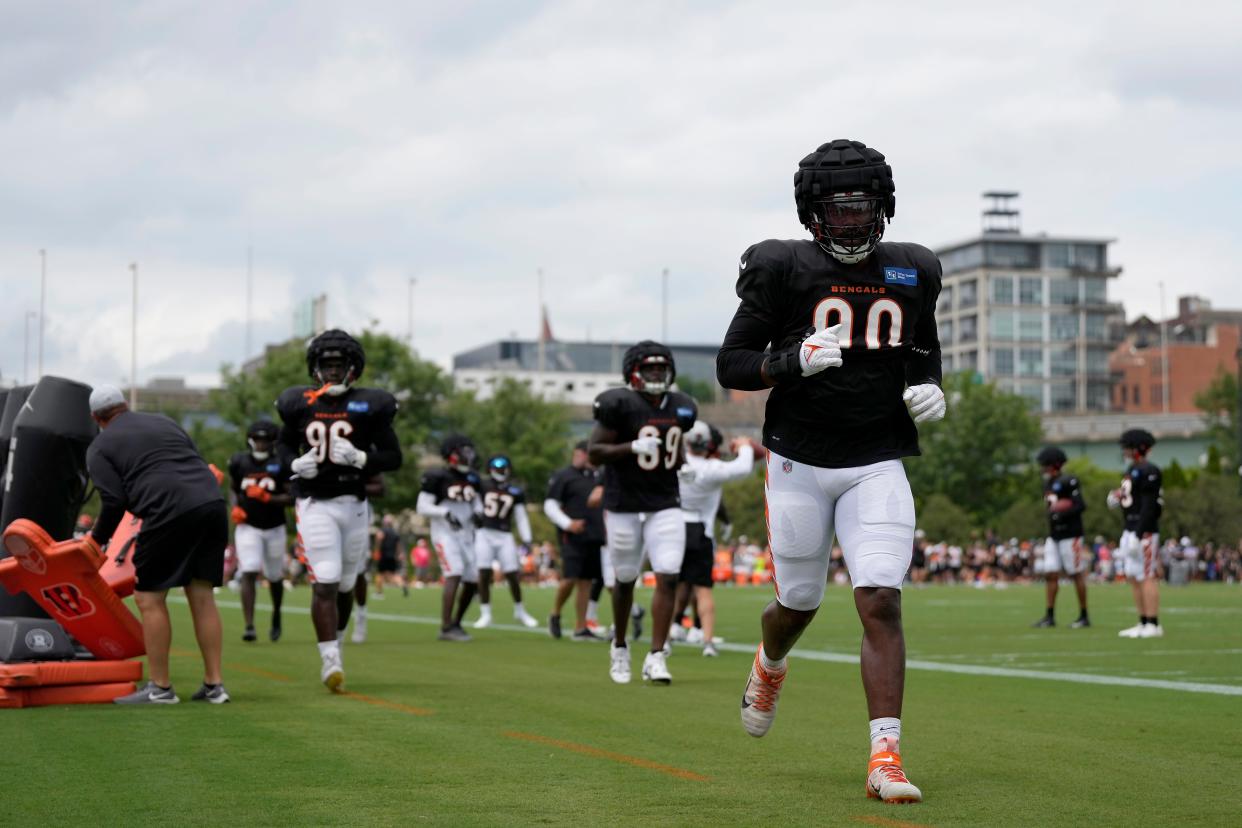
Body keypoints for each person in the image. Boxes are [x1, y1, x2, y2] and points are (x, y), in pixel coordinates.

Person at [716, 138, 945, 804]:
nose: (850, 221)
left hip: (877, 458)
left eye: (861, 208)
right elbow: (732, 364)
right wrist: (789, 362)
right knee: (798, 603)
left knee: (880, 597)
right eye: (837, 210)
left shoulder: (912, 270)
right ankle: (770, 662)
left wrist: (931, 383)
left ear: (883, 209)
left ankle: (886, 756)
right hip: (799, 458)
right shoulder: (782, 269)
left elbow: (923, 350)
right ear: (813, 213)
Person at [85, 384, 230, 705]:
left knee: (149, 597)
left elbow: (113, 501)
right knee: (202, 594)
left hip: (167, 509)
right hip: (211, 503)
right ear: (124, 405)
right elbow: (194, 459)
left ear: (96, 418)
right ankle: (214, 685)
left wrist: (95, 542)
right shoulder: (165, 422)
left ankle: (161, 688)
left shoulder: (100, 445)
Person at [276, 329, 402, 692]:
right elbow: (283, 450)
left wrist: (364, 458)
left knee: (347, 583)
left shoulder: (370, 404)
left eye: (339, 365)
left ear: (353, 369)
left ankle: (338, 640)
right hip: (315, 502)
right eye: (326, 365)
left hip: (354, 503)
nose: (332, 372)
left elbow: (394, 457)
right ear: (315, 369)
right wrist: (295, 464)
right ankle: (330, 658)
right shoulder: (298, 403)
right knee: (327, 578)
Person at [589, 340, 698, 685]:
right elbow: (594, 452)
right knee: (624, 578)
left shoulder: (681, 406)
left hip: (665, 501)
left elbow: (674, 445)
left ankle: (656, 655)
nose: (656, 373)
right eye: (649, 368)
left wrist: (684, 463)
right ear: (633, 372)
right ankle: (619, 645)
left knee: (668, 574)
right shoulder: (619, 404)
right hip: (623, 504)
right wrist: (630, 446)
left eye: (661, 368)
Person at [675, 422, 758, 657]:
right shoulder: (711, 468)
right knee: (703, 590)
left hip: (675, 528)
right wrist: (744, 446)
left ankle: (667, 637)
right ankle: (708, 642)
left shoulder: (675, 464)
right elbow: (742, 468)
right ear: (708, 444)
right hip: (701, 531)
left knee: (672, 586)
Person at [228, 420, 292, 643]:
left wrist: (269, 498)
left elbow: (292, 496)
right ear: (250, 440)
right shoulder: (239, 462)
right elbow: (234, 488)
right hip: (248, 526)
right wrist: (235, 506)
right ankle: (249, 625)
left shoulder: (281, 463)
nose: (261, 444)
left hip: (274, 525)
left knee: (274, 576)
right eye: (257, 439)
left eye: (265, 440)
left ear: (272, 442)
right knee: (249, 570)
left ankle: (276, 614)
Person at [417, 433, 481, 641]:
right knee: (454, 572)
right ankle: (446, 627)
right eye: (464, 451)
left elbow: (476, 502)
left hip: (466, 534)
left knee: (472, 580)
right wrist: (444, 513)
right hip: (445, 533)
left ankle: (457, 623)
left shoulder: (472, 478)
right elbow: (422, 506)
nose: (468, 456)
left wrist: (479, 513)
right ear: (452, 454)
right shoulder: (438, 476)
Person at [544, 441, 607, 641]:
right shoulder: (564, 476)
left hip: (595, 535)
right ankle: (555, 613)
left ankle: (581, 627)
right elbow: (550, 505)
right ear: (578, 453)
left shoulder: (598, 477)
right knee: (570, 578)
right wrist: (568, 524)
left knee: (586, 582)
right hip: (573, 536)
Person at [471, 455, 539, 629]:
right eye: (497, 468)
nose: (501, 471)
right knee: (484, 573)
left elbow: (521, 517)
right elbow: (474, 501)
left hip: (504, 534)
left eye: (503, 468)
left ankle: (520, 610)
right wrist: (476, 515)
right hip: (484, 532)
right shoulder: (483, 486)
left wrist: (527, 539)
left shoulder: (515, 491)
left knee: (512, 574)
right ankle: (485, 613)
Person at [1108, 429, 1164, 638]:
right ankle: (1142, 621)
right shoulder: (1132, 469)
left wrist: (1139, 533)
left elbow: (1150, 506)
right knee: (1133, 576)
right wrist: (1118, 496)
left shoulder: (1150, 470)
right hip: (1129, 528)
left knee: (1146, 575)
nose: (1124, 451)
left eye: (1128, 447)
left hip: (1144, 531)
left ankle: (1153, 623)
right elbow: (1133, 497)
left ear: (1138, 448)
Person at [1031, 446, 1089, 629]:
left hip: (1071, 534)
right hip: (1054, 535)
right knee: (1050, 573)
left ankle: (1084, 615)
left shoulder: (1069, 481)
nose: (1042, 468)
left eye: (1045, 465)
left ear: (1053, 465)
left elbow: (1080, 505)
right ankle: (1049, 615)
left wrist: (1062, 510)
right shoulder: (1047, 484)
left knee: (1075, 573)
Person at [373, 513, 407, 598]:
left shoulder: (382, 530)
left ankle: (379, 593)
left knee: (380, 574)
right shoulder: (395, 533)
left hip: (383, 556)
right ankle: (402, 585)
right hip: (392, 557)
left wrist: (377, 550)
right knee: (394, 574)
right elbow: (398, 546)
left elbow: (379, 538)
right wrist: (400, 554)